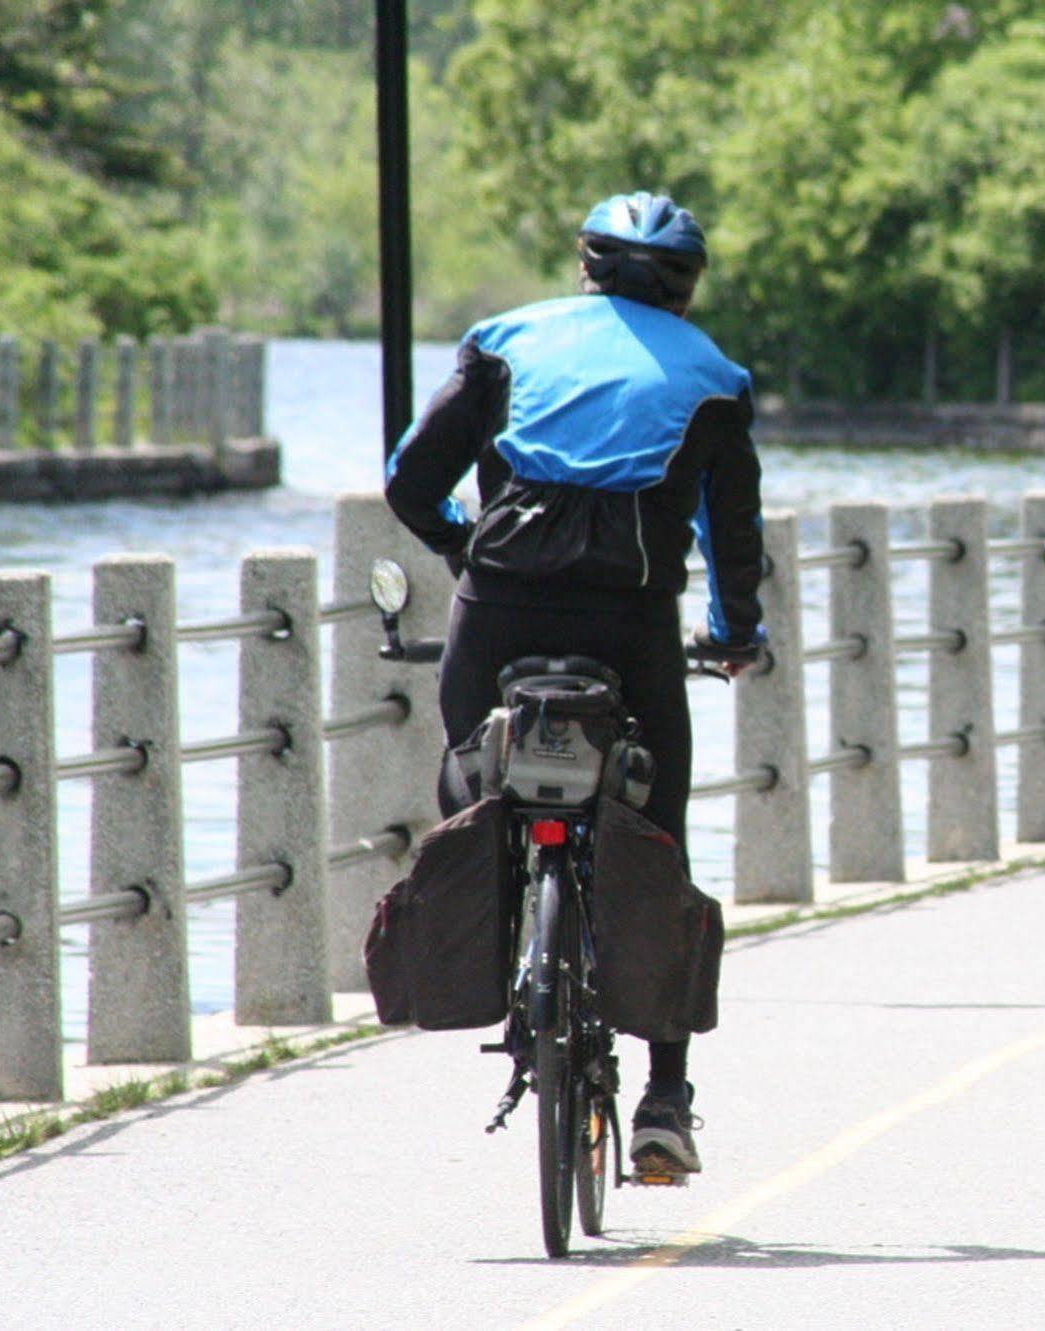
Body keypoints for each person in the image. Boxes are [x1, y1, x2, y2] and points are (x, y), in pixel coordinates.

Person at [384, 191, 765, 1175]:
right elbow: (731, 540)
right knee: (656, 835)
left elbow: (409, 479)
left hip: (500, 608)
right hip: (630, 625)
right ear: (686, 283)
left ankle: (507, 968)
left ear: (585, 264)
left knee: (474, 780)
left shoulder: (506, 341)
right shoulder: (714, 378)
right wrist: (731, 635)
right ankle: (665, 1096)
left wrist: (468, 552)